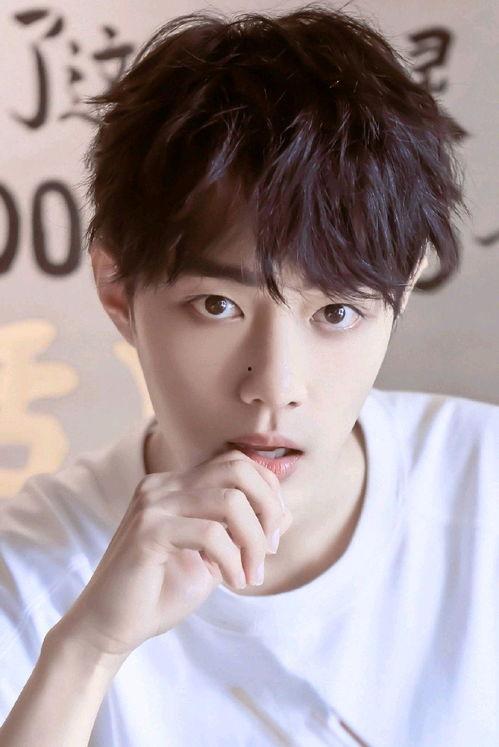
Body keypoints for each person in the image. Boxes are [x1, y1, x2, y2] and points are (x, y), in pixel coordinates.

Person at [0, 5, 497, 746]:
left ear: (401, 286)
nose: (275, 386)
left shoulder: (483, 486)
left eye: (336, 312)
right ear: (118, 290)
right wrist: (88, 650)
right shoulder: (31, 569)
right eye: (218, 305)